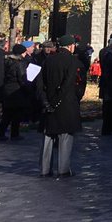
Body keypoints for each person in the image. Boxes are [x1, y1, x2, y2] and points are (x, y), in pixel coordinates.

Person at [36, 35, 85, 178]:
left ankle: (45, 169)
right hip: (67, 103)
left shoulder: (47, 61)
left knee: (48, 136)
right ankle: (63, 168)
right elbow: (74, 84)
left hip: (49, 103)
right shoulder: (74, 62)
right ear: (71, 46)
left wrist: (46, 102)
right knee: (66, 137)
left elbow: (39, 84)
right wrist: (59, 100)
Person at [0, 40, 33, 141]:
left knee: (7, 114)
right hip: (17, 90)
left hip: (8, 89)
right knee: (16, 114)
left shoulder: (8, 61)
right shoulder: (20, 63)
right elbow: (22, 78)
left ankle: (1, 132)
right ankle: (14, 134)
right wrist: (28, 89)